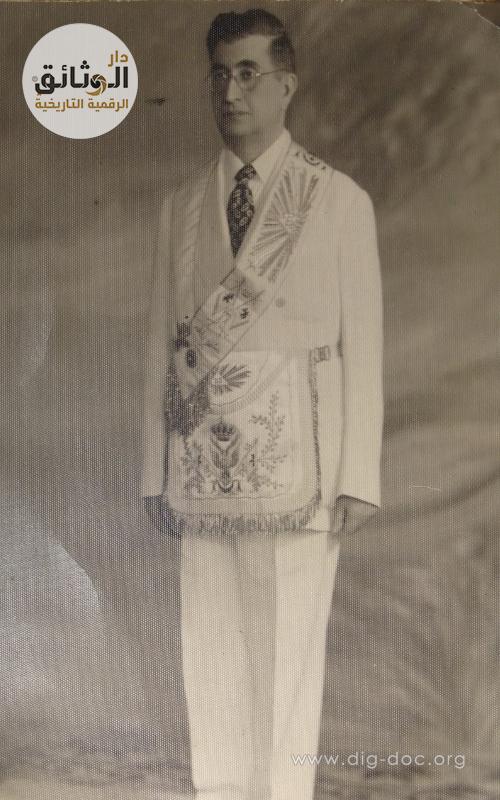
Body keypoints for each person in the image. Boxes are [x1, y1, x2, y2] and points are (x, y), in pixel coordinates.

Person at [142, 9, 383, 800]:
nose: (230, 90)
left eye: (248, 73)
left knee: (286, 662)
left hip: (300, 467)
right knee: (209, 654)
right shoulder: (180, 208)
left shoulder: (339, 201)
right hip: (202, 468)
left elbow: (364, 344)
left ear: (287, 85)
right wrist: (152, 470)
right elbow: (162, 348)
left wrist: (359, 475)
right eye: (219, 73)